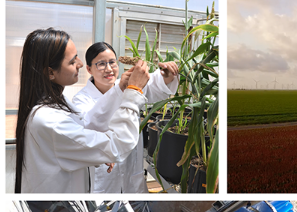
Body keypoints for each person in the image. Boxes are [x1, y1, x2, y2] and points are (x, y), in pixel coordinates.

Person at [15, 28, 150, 193]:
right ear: (50, 72)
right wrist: (133, 92)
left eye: (77, 56)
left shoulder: (57, 104)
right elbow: (116, 145)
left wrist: (121, 88)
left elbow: (86, 125)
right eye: (72, 62)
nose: (79, 63)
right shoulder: (50, 120)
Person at [72, 42, 179, 193]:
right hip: (105, 177)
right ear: (89, 69)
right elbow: (90, 124)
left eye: (112, 62)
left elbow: (152, 85)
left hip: (131, 171)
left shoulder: (127, 86)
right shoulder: (81, 100)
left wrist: (166, 75)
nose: (109, 69)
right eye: (101, 64)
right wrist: (121, 89)